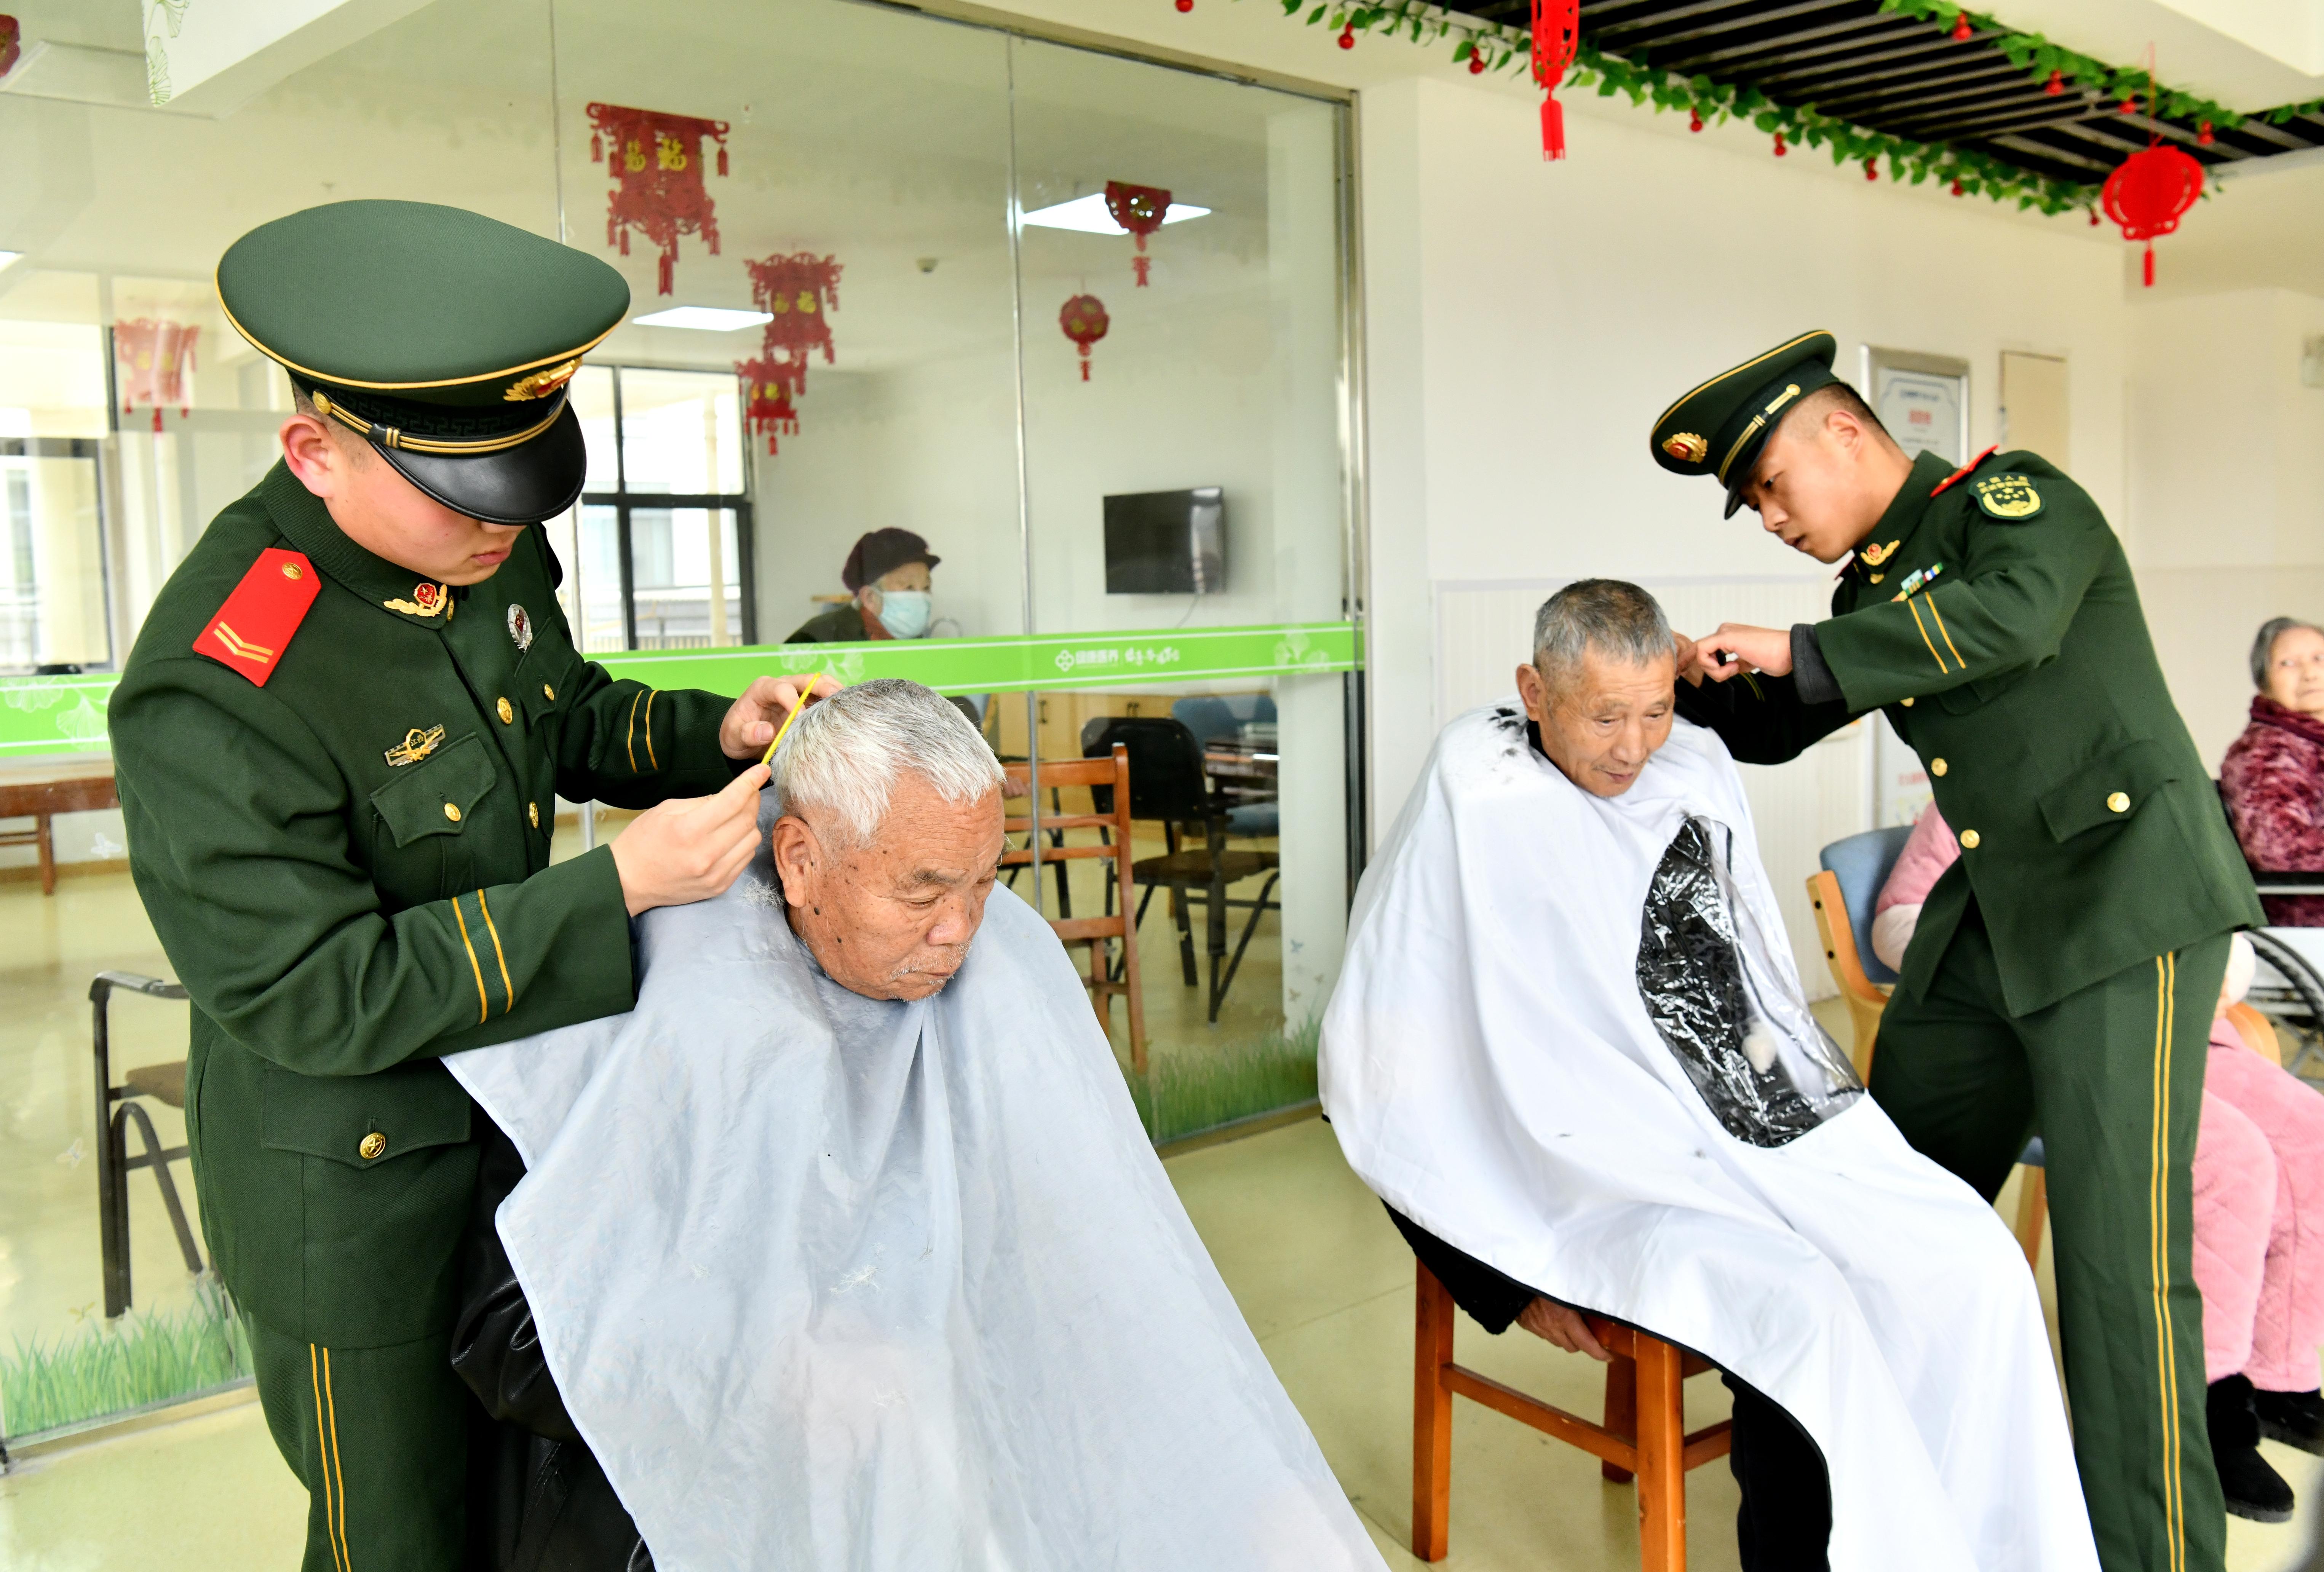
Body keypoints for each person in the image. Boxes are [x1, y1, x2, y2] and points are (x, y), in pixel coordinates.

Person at [107, 200, 835, 1572]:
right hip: (359, 1201)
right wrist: (614, 888)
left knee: (529, 1509)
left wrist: (714, 734)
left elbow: (559, 712)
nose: (503, 526)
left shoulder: (473, 546)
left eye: (519, 482)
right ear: (315, 452)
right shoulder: (220, 682)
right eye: (465, 495)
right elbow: (316, 993)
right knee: (402, 1541)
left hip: (523, 1133)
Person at [443, 679, 1387, 1571]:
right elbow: (505, 1340)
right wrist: (780, 1370)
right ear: (799, 861)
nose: (959, 931)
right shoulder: (659, 1001)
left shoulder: (998, 975)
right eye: (924, 892)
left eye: (983, 883)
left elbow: (1105, 1267)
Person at [1322, 580, 2098, 1572]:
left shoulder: (1687, 769)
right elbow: (1385, 1069)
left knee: (1973, 1263)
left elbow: (1748, 992)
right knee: (1803, 1306)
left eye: (1655, 712)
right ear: (1533, 689)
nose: (1633, 748)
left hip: (1745, 1124)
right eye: (1606, 717)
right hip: (1586, 1177)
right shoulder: (1477, 798)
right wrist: (1501, 1280)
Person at [1656, 330, 2264, 1572]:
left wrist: (1804, 648)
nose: (1772, 518)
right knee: (1874, 1211)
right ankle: (1839, 1523)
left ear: (1842, 431)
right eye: (1755, 503)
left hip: (2124, 906)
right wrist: (1688, 682)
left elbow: (2012, 620)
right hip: (1989, 924)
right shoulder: (1868, 593)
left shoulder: (2015, 504)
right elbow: (1784, 720)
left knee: (2117, 1282)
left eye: (1771, 483)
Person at [1877, 808, 2324, 1523]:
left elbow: (2224, 922)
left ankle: (2279, 1378)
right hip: (2056, 1045)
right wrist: (2039, 955)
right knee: (2232, 1162)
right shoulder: (1966, 796)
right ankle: (2204, 1407)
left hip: (2182, 1025)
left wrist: (2214, 962)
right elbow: (1899, 926)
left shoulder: (2149, 792)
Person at [2222, 617, 2324, 925]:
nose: (2310, 673)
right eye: (2288, 664)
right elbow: (2277, 845)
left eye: (2319, 658)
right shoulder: (2263, 754)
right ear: (2264, 683)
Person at [789, 527, 939, 642]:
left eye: (926, 588)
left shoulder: (918, 642)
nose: (922, 599)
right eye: (909, 588)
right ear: (870, 598)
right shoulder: (816, 640)